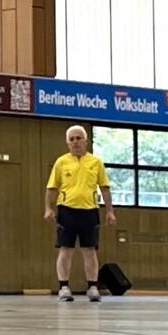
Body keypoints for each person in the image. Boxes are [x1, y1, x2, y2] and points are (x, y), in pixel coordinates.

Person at [44, 125, 115, 302]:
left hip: (89, 211)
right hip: (66, 211)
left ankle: (92, 287)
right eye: (72, 139)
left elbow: (104, 188)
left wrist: (110, 211)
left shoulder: (96, 162)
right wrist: (48, 208)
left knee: (89, 250)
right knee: (65, 250)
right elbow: (51, 188)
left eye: (78, 138)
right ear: (68, 143)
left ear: (85, 141)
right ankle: (64, 287)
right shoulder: (61, 162)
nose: (75, 142)